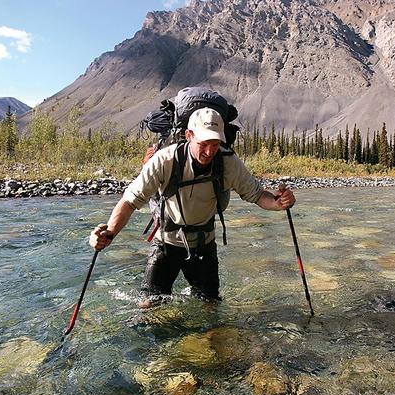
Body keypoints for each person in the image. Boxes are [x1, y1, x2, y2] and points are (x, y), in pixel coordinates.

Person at [89, 107, 295, 307]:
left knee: (210, 307)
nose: (209, 151)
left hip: (204, 245)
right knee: (148, 306)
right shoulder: (165, 160)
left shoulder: (228, 162)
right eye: (204, 143)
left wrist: (279, 203)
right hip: (166, 243)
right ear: (189, 135)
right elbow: (130, 201)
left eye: (215, 144)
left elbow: (258, 195)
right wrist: (109, 233)